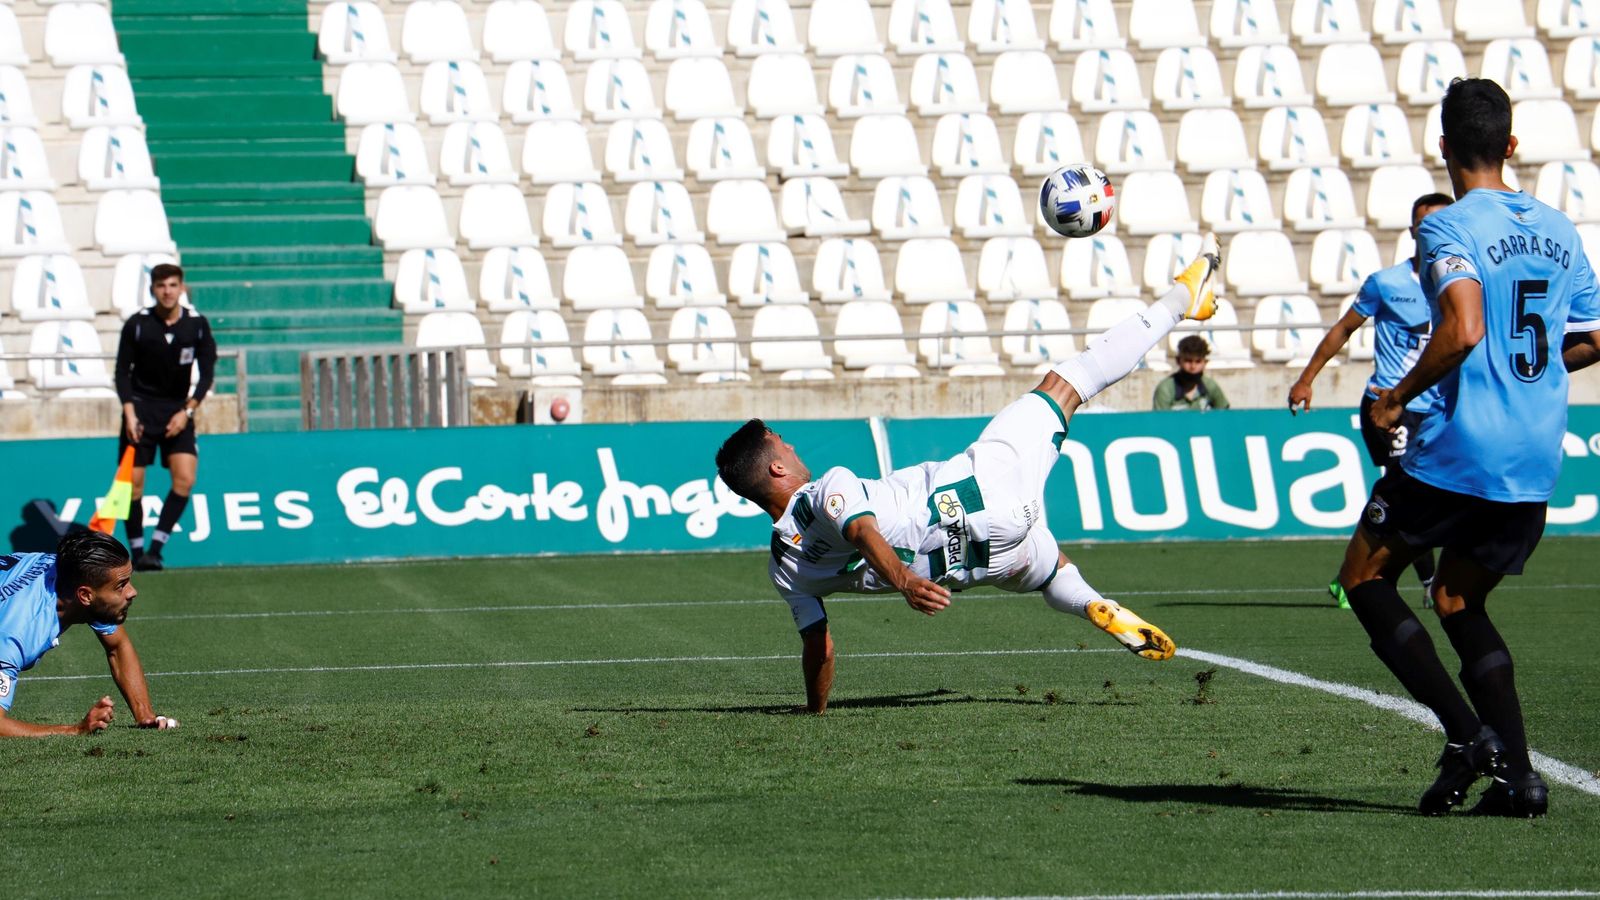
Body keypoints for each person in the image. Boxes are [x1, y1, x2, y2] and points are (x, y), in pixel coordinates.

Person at [715, 235, 1224, 713]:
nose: (792, 444)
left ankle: (1094, 603)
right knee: (1069, 381)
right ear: (777, 467)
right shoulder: (826, 490)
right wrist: (905, 581)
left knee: (1048, 567)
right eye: (783, 442)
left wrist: (815, 710)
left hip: (980, 563)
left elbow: (818, 646)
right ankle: (1184, 300)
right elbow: (860, 529)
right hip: (982, 491)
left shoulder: (784, 571)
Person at [1336, 78, 1600, 817]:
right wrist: (1545, 366)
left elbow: (1463, 327)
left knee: (1363, 578)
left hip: (1461, 448)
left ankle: (1465, 736)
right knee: (1457, 597)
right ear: (1511, 147)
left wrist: (1392, 398)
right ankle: (1521, 778)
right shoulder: (1559, 229)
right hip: (1534, 456)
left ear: (1445, 148)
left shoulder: (1448, 226)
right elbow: (1593, 337)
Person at [1289, 193, 1454, 610]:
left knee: (1419, 495)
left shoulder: (1465, 287)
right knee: (1403, 486)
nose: (1430, 232)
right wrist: (1307, 379)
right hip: (1390, 405)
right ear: (1413, 232)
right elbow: (1344, 329)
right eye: (1423, 225)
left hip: (1442, 408)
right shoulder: (1387, 283)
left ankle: (1355, 573)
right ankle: (1424, 580)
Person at [0, 531, 179, 737]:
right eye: (121, 586)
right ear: (85, 595)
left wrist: (145, 715)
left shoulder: (74, 577)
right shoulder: (15, 634)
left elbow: (117, 646)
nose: (132, 592)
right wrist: (76, 730)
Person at [114, 263, 216, 572]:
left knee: (185, 479)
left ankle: (156, 549)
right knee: (131, 487)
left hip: (177, 411)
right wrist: (129, 412)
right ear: (152, 289)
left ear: (182, 287)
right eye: (161, 286)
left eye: (173, 285)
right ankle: (134, 550)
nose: (167, 291)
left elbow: (207, 372)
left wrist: (187, 411)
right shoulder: (138, 324)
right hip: (141, 410)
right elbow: (121, 372)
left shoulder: (196, 325)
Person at [1152, 335, 1230, 410]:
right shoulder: (1165, 389)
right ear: (1178, 361)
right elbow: (1161, 422)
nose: (1193, 367)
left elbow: (1225, 417)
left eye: (1198, 361)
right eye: (1188, 361)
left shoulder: (1210, 386)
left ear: (1205, 363)